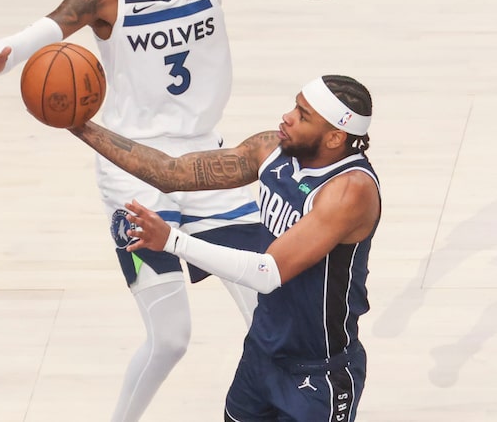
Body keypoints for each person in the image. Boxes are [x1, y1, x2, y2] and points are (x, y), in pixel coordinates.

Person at [0, 0, 434, 421]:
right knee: (171, 339)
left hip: (210, 159)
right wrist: (3, 54)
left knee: (269, 308)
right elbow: (50, 27)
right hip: (133, 167)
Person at [69, 74, 380, 422]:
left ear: (336, 137)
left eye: (303, 115)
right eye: (295, 105)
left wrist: (171, 241)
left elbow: (268, 273)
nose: (288, 117)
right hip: (261, 353)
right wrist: (80, 126)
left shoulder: (350, 191)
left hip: (318, 372)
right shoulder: (271, 148)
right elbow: (169, 172)